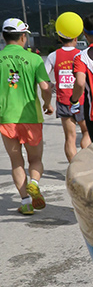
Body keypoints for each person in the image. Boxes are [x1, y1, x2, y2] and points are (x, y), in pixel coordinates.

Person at [0, 18, 53, 215]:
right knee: (35, 159)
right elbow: (46, 87)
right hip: (31, 117)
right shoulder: (34, 59)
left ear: (4, 37)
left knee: (16, 162)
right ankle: (35, 182)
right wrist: (48, 104)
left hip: (6, 118)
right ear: (23, 37)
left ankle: (25, 203)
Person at [45, 30, 90, 162]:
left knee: (70, 137)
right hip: (82, 100)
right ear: (76, 38)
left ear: (60, 38)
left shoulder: (53, 56)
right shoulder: (82, 55)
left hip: (63, 100)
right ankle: (85, 161)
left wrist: (51, 84)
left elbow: (42, 76)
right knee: (86, 132)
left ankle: (73, 168)